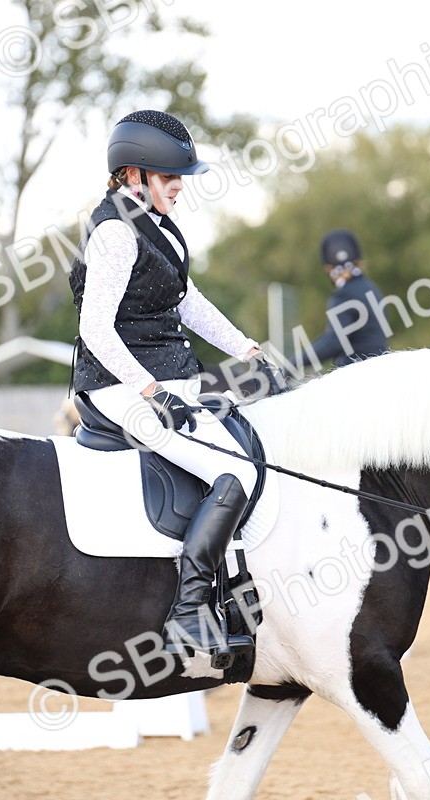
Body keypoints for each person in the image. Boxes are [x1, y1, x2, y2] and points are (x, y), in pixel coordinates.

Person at [68, 110, 285, 658]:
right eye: (171, 177)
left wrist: (248, 350)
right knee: (232, 471)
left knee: (252, 449)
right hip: (119, 384)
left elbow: (187, 302)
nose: (180, 187)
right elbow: (94, 328)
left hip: (165, 376)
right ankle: (188, 613)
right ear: (134, 175)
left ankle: (233, 591)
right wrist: (148, 391)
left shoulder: (156, 224)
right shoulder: (116, 233)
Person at [308, 229, 390, 369]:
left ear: (328, 268)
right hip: (380, 366)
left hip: (355, 371)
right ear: (358, 261)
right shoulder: (373, 289)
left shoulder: (343, 295)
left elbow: (333, 342)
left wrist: (293, 363)